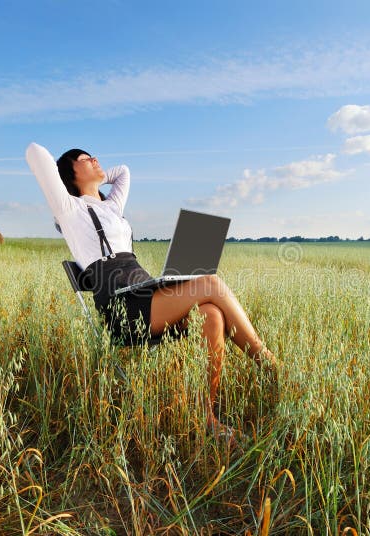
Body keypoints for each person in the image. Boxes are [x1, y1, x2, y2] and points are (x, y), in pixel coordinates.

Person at [26, 142, 278, 440]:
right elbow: (35, 152)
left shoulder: (111, 208)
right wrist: (69, 176)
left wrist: (96, 173)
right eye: (85, 158)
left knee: (211, 315)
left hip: (146, 291)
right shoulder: (68, 209)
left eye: (95, 156)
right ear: (69, 174)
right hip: (123, 308)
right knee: (210, 282)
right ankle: (273, 366)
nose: (95, 159)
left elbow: (124, 173)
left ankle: (206, 416)